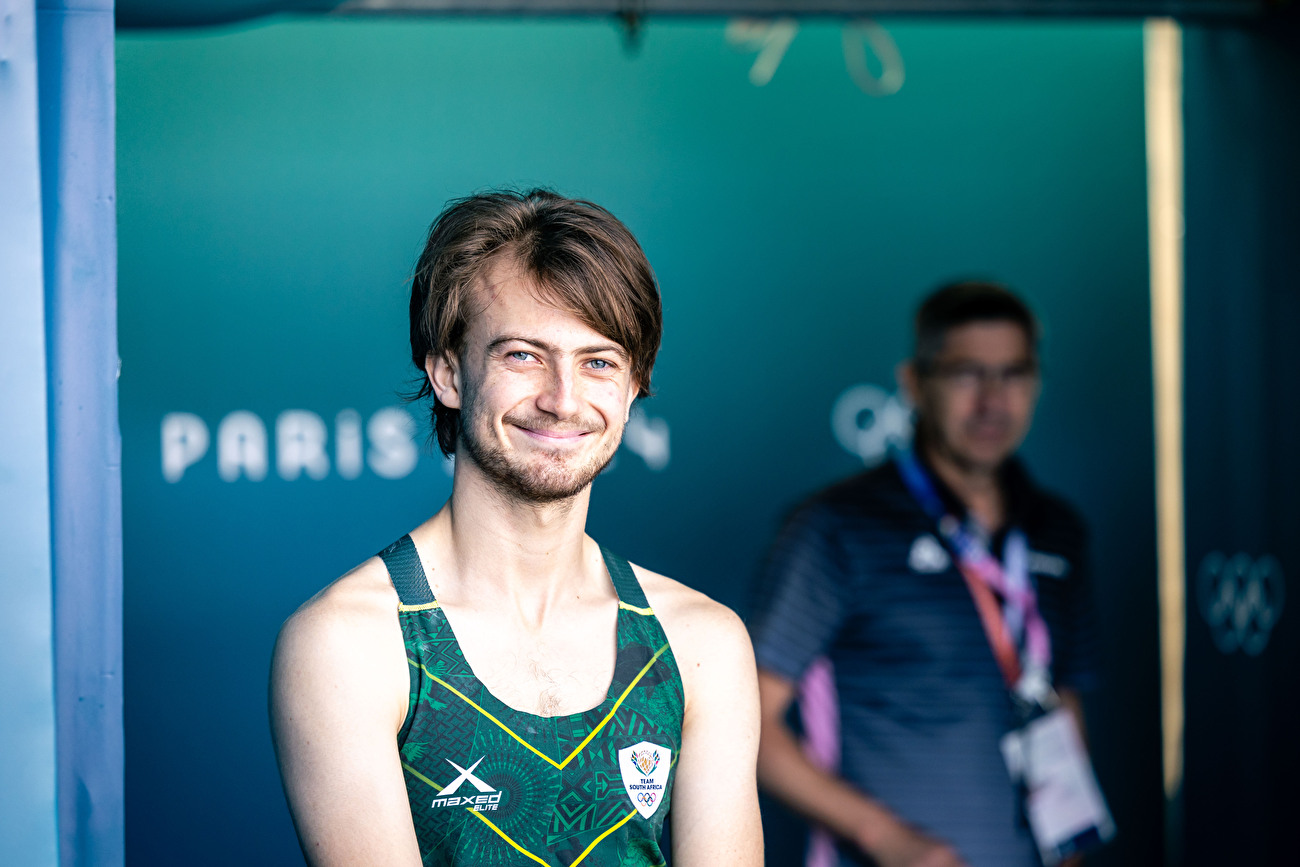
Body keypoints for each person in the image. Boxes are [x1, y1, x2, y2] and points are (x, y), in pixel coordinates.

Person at [270, 189, 762, 867]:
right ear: (447, 371)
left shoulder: (700, 641)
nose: (563, 398)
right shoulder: (350, 642)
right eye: (523, 355)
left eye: (598, 361)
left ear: (632, 386)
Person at [749, 282, 1103, 867]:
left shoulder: (1058, 529)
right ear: (915, 383)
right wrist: (883, 836)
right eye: (967, 374)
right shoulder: (837, 526)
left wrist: (1070, 850)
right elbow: (749, 722)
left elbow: (1061, 700)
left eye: (1013, 374)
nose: (993, 400)